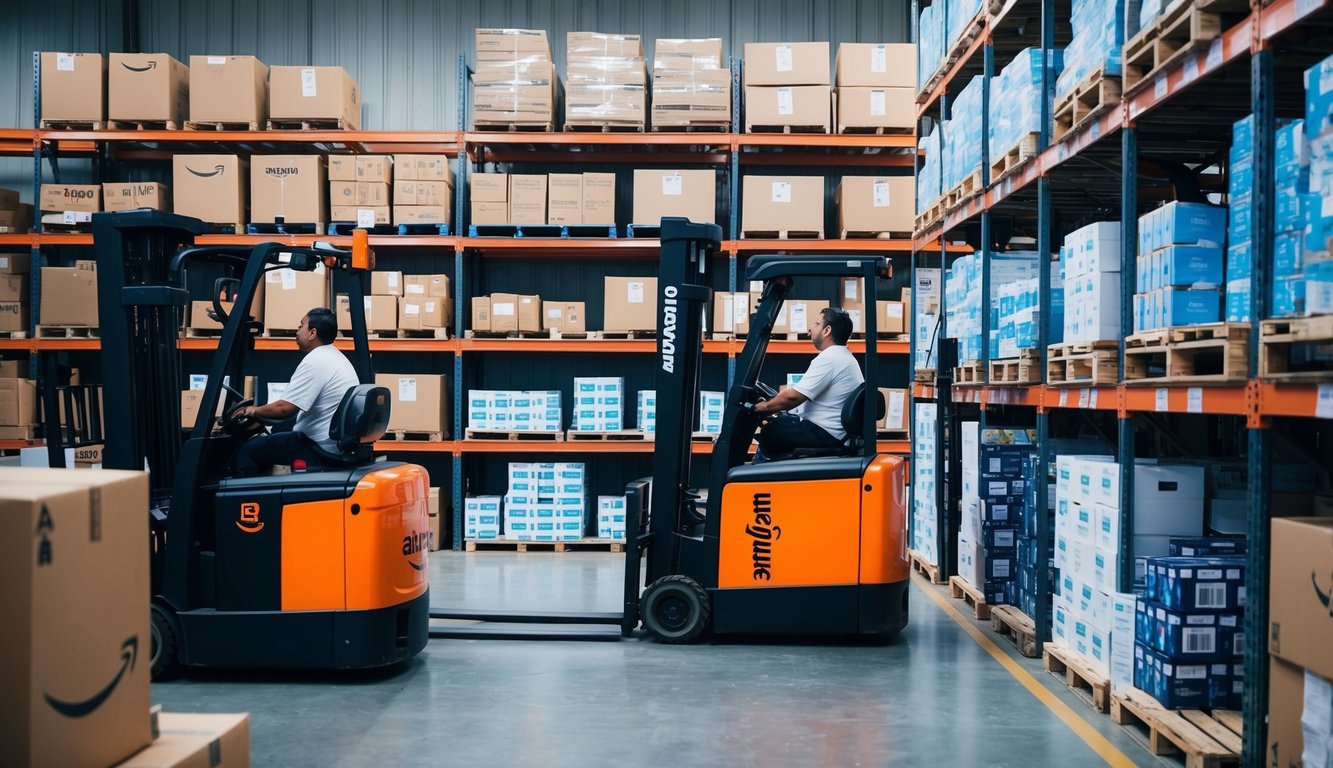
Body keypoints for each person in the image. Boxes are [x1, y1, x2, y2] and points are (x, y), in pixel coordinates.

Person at [231, 307, 360, 476]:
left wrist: (253, 411)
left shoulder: (316, 361)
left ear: (312, 333)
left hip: (315, 446)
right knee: (270, 443)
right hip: (329, 443)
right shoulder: (334, 356)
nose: (297, 331)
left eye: (301, 326)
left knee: (247, 452)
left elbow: (284, 408)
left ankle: (247, 499)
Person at [752, 307, 864, 460]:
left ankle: (760, 478)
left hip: (825, 434)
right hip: (830, 432)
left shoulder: (831, 358)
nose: (810, 329)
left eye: (816, 324)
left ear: (827, 330)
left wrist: (760, 408)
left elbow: (793, 397)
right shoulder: (843, 356)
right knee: (779, 422)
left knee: (770, 433)